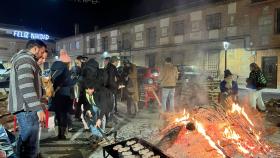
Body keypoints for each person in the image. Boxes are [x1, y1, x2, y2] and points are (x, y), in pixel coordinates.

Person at [8, 39, 47, 157]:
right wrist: (38, 108)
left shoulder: (24, 59)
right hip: (27, 109)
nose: (42, 55)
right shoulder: (26, 59)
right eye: (42, 51)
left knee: (25, 141)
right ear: (35, 49)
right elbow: (26, 87)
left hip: (27, 108)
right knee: (30, 144)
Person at [50, 49, 76, 139]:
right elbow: (70, 83)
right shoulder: (65, 70)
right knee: (64, 115)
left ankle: (57, 133)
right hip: (65, 95)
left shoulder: (53, 67)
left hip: (55, 94)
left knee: (57, 114)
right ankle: (63, 134)